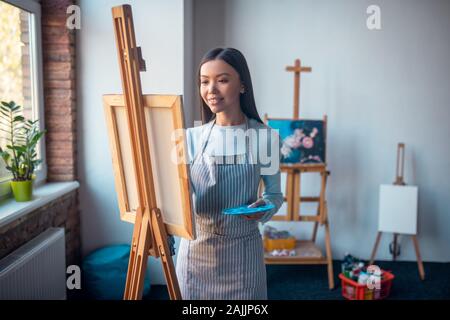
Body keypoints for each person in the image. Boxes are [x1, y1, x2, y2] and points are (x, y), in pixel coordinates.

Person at [175, 47, 283, 300]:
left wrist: (264, 208)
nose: (211, 90)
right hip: (196, 254)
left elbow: (275, 195)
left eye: (222, 80)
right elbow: (175, 198)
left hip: (243, 256)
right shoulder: (189, 138)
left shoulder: (265, 137)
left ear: (242, 85)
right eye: (204, 82)